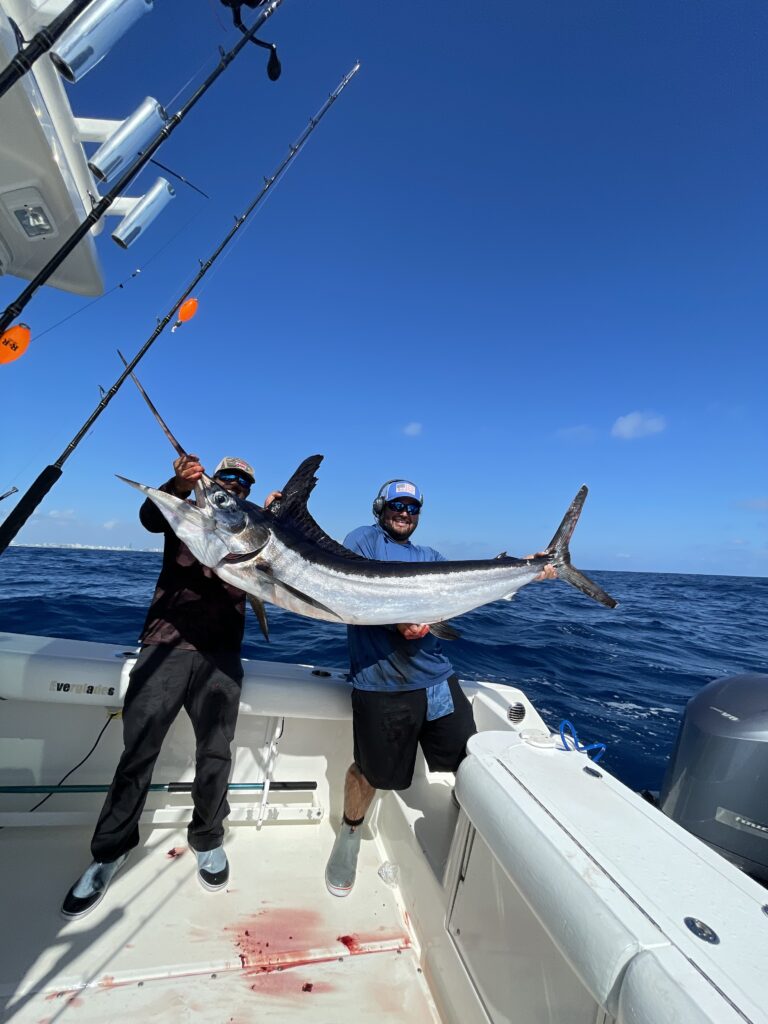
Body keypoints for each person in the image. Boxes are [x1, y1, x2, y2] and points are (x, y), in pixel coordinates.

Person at [325, 479, 557, 898]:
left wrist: (527, 569)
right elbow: (352, 590)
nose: (404, 513)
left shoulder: (428, 557)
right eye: (397, 504)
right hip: (381, 681)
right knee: (370, 771)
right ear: (381, 507)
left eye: (412, 508)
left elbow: (464, 586)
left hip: (435, 678)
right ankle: (350, 834)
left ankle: (467, 839)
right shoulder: (363, 541)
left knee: (468, 761)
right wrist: (398, 619)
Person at [61, 453, 270, 919]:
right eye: (227, 478)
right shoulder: (186, 515)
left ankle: (208, 839)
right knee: (138, 752)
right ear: (211, 482)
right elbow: (149, 516)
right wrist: (175, 484)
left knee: (216, 753)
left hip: (221, 654)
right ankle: (109, 852)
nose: (234, 485)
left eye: (243, 483)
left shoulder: (253, 533)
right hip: (165, 646)